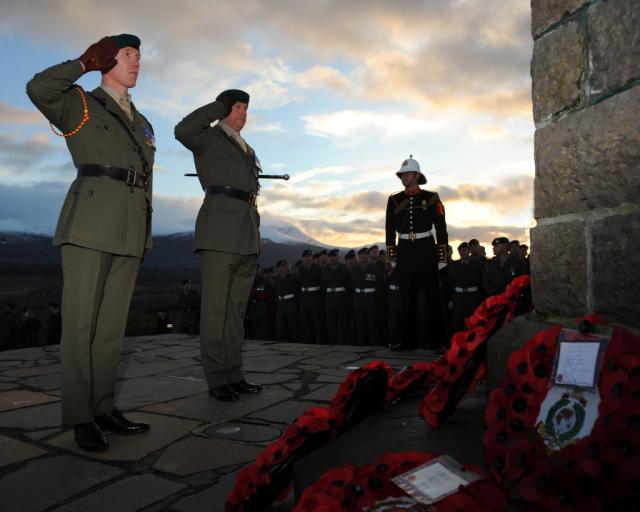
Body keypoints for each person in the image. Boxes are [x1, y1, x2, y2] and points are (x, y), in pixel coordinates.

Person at [26, 34, 153, 451]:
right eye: (128, 55)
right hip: (89, 222)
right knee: (81, 326)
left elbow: (144, 179)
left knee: (111, 328)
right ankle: (81, 416)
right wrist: (82, 63)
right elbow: (37, 88)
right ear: (106, 60)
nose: (137, 62)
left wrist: (145, 231)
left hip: (130, 225)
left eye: (139, 56)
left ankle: (103, 408)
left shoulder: (141, 121)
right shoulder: (80, 103)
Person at [174, 88, 262, 402]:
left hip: (246, 229)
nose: (243, 113)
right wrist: (215, 106)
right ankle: (216, 378)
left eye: (245, 108)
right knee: (215, 310)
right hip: (219, 229)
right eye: (237, 107)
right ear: (223, 108)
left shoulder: (247, 148)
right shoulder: (208, 138)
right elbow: (182, 130)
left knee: (236, 311)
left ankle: (234, 373)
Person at [385, 156, 448, 351]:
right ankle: (408, 341)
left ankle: (438, 342)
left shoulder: (432, 198)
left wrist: (442, 257)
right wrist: (391, 257)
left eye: (408, 173)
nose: (404, 176)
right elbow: (389, 230)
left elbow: (441, 228)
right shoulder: (394, 199)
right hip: (405, 251)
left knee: (433, 298)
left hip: (426, 249)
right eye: (402, 174)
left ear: (417, 175)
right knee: (407, 299)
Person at [449, 242, 485, 333]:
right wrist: (451, 299)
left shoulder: (477, 264)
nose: (462, 252)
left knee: (474, 322)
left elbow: (481, 281)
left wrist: (480, 298)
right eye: (460, 250)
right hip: (459, 297)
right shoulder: (454, 265)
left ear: (469, 251)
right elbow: (450, 283)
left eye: (464, 250)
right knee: (457, 323)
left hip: (473, 297)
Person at [322, 249, 351, 345]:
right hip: (330, 300)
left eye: (334, 256)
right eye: (330, 257)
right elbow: (323, 286)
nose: (332, 258)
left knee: (342, 325)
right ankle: (332, 343)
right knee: (331, 324)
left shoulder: (344, 268)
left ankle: (341, 343)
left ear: (338, 257)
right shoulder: (325, 269)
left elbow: (348, 286)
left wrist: (346, 300)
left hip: (341, 300)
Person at [298, 249, 324, 344]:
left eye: (308, 257)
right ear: (302, 258)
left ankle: (319, 342)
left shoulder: (318, 268)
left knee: (317, 324)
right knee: (305, 324)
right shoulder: (300, 270)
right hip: (304, 300)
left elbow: (322, 285)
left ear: (312, 258)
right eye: (305, 257)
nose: (307, 259)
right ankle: (308, 343)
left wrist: (320, 300)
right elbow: (298, 286)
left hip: (315, 300)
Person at [273, 260, 301, 342]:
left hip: (291, 305)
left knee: (293, 327)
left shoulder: (293, 277)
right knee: (280, 327)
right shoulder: (276, 279)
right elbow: (275, 292)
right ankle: (280, 344)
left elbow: (297, 293)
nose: (282, 269)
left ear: (287, 268)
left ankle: (296, 344)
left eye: (284, 267)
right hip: (280, 305)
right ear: (277, 269)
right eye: (280, 267)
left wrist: (296, 305)